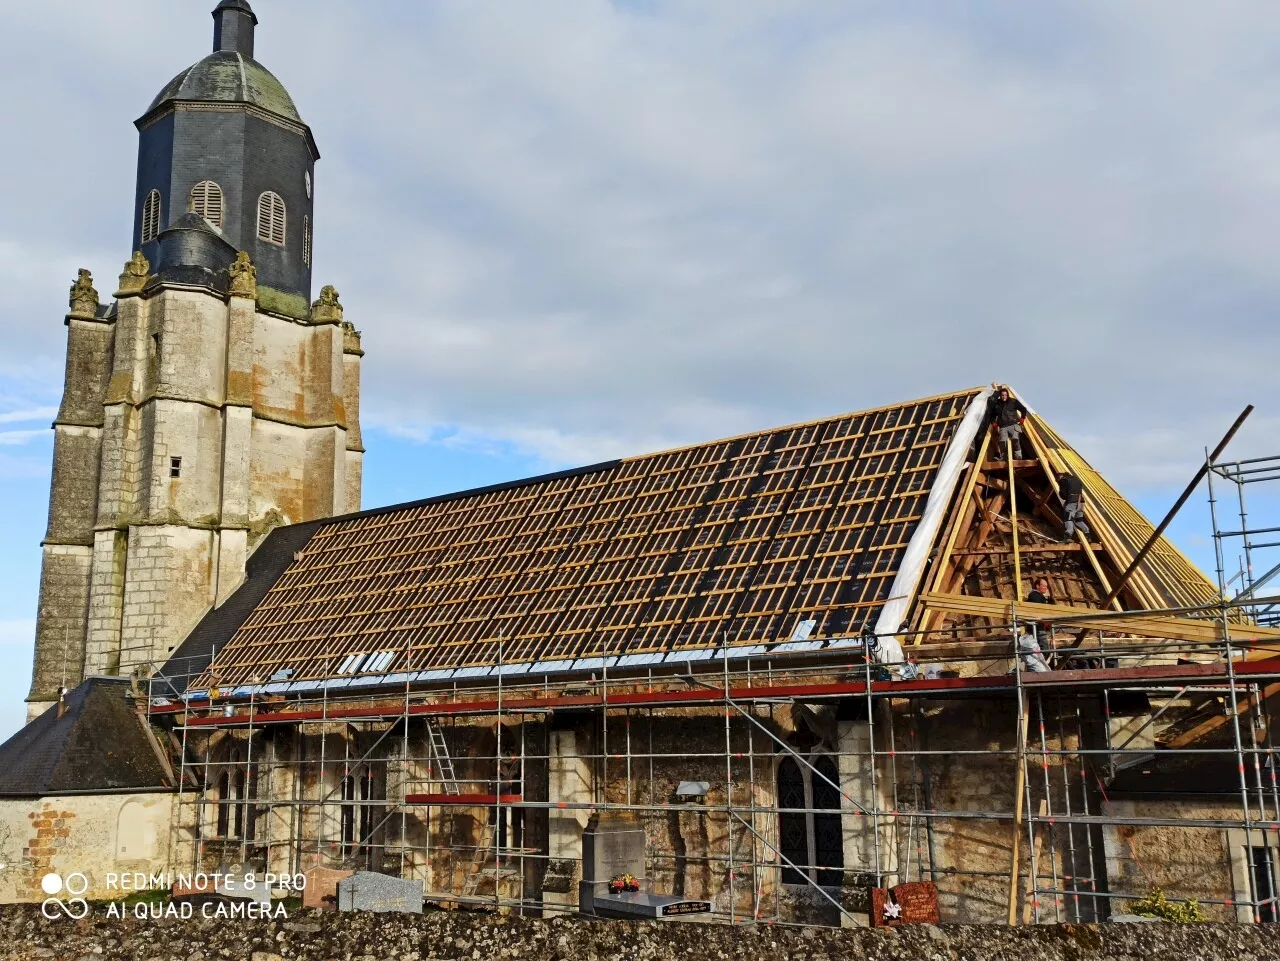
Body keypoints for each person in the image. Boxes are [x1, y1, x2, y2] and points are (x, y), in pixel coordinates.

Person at [987, 387, 1029, 460]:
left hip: (1013, 424)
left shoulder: (1013, 402)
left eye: (1005, 395)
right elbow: (992, 415)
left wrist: (1022, 418)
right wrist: (993, 422)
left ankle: (1018, 456)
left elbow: (1023, 409)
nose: (1004, 397)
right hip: (1003, 426)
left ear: (1007, 395)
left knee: (1015, 439)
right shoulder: (997, 404)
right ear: (1000, 395)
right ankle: (1004, 457)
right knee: (1002, 442)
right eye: (1002, 395)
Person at [1058, 471, 1090, 540]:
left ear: (1061, 476)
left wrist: (1061, 491)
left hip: (1072, 502)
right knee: (1079, 521)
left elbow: (1063, 495)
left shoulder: (1063, 480)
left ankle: (1068, 537)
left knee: (1068, 518)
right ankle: (1087, 535)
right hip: (1081, 502)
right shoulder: (1077, 479)